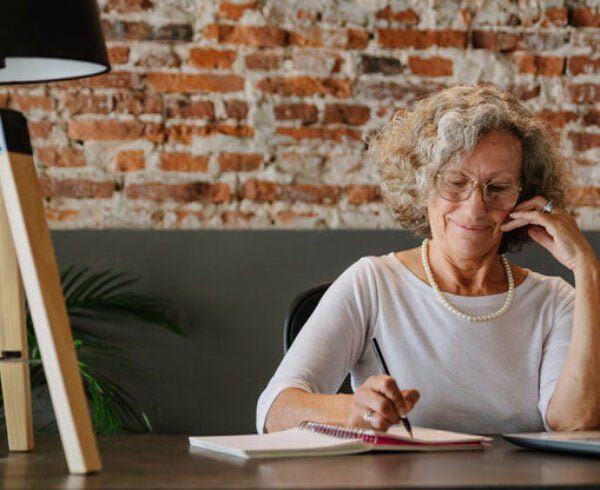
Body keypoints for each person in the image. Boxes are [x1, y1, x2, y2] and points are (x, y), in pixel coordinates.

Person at [256, 84, 600, 435]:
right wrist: (351, 409)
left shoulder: (555, 301)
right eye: (455, 182)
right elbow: (274, 410)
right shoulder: (373, 283)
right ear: (423, 187)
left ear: (525, 200)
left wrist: (587, 269)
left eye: (496, 188)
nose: (475, 207)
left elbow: (573, 422)